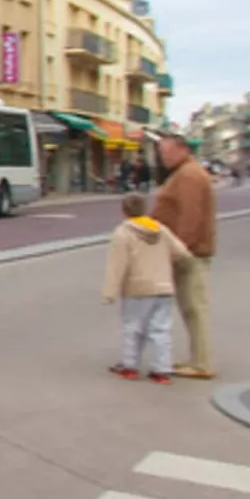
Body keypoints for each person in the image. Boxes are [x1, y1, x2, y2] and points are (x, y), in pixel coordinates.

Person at [103, 193, 191, 384]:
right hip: (164, 287)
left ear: (124, 211)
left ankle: (130, 366)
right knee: (161, 329)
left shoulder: (123, 233)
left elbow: (117, 265)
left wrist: (110, 292)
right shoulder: (160, 229)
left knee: (133, 328)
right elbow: (182, 252)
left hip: (138, 288)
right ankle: (161, 369)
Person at [151, 134, 218, 379]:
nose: (162, 157)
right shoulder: (186, 173)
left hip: (190, 253)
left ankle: (202, 363)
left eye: (165, 152)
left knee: (194, 308)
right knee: (191, 308)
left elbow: (190, 218)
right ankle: (197, 360)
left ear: (180, 150)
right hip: (190, 250)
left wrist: (178, 251)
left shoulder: (189, 176)